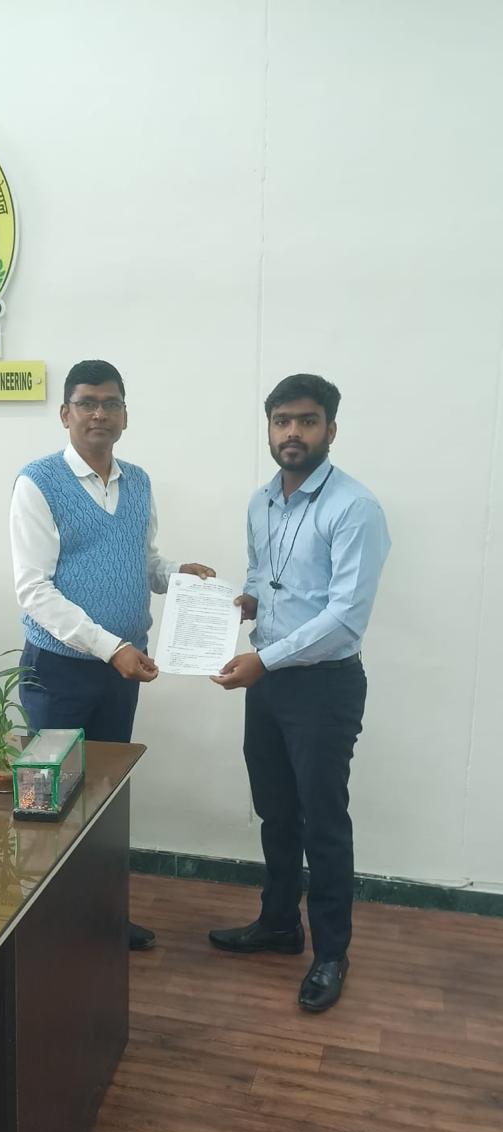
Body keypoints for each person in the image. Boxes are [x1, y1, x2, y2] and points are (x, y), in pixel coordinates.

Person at [10, 358, 214, 950]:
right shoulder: (37, 483)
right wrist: (111, 646)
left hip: (122, 673)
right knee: (48, 800)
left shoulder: (139, 482)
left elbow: (141, 562)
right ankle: (45, 930)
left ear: (125, 415)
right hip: (57, 671)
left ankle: (101, 923)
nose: (99, 413)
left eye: (111, 403)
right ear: (65, 413)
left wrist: (178, 575)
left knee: (103, 800)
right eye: (87, 403)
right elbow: (33, 590)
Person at [209, 373, 390, 1012]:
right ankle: (280, 923)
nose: (293, 432)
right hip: (269, 683)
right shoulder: (261, 502)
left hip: (323, 687)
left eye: (307, 421)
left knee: (323, 822)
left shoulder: (354, 507)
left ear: (330, 430)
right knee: (276, 811)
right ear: (269, 428)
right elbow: (267, 580)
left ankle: (332, 953)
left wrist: (263, 659)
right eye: (282, 420)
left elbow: (344, 617)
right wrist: (233, 605)